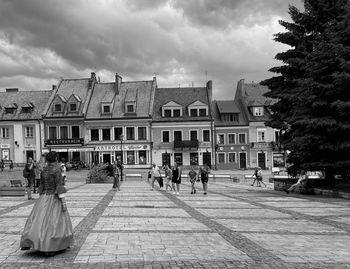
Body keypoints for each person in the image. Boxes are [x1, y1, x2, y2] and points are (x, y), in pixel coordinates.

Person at [20, 151, 73, 254]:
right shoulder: (57, 170)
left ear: (47, 160)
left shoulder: (44, 171)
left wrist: (42, 197)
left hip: (44, 197)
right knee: (55, 222)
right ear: (56, 159)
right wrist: (63, 202)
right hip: (54, 197)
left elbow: (41, 187)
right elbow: (59, 187)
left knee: (38, 220)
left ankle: (31, 241)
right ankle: (52, 245)